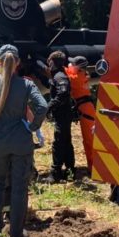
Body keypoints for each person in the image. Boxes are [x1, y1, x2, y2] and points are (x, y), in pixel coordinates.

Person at [0, 45, 47, 237]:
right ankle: (16, 233)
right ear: (18, 62)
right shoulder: (26, 85)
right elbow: (42, 106)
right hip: (21, 142)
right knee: (19, 188)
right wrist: (32, 127)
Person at [45, 51, 74, 183]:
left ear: (53, 62)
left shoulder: (60, 77)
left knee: (59, 143)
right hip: (63, 114)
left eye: (49, 61)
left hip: (62, 114)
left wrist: (49, 106)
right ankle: (70, 171)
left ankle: (56, 173)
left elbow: (63, 93)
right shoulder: (58, 75)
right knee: (66, 142)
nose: (48, 64)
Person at [66, 56, 95, 171]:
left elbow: (67, 72)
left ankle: (93, 167)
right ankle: (92, 165)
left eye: (73, 64)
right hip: (86, 107)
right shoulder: (83, 74)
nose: (70, 65)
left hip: (85, 108)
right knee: (89, 139)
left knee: (89, 140)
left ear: (78, 67)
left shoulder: (76, 78)